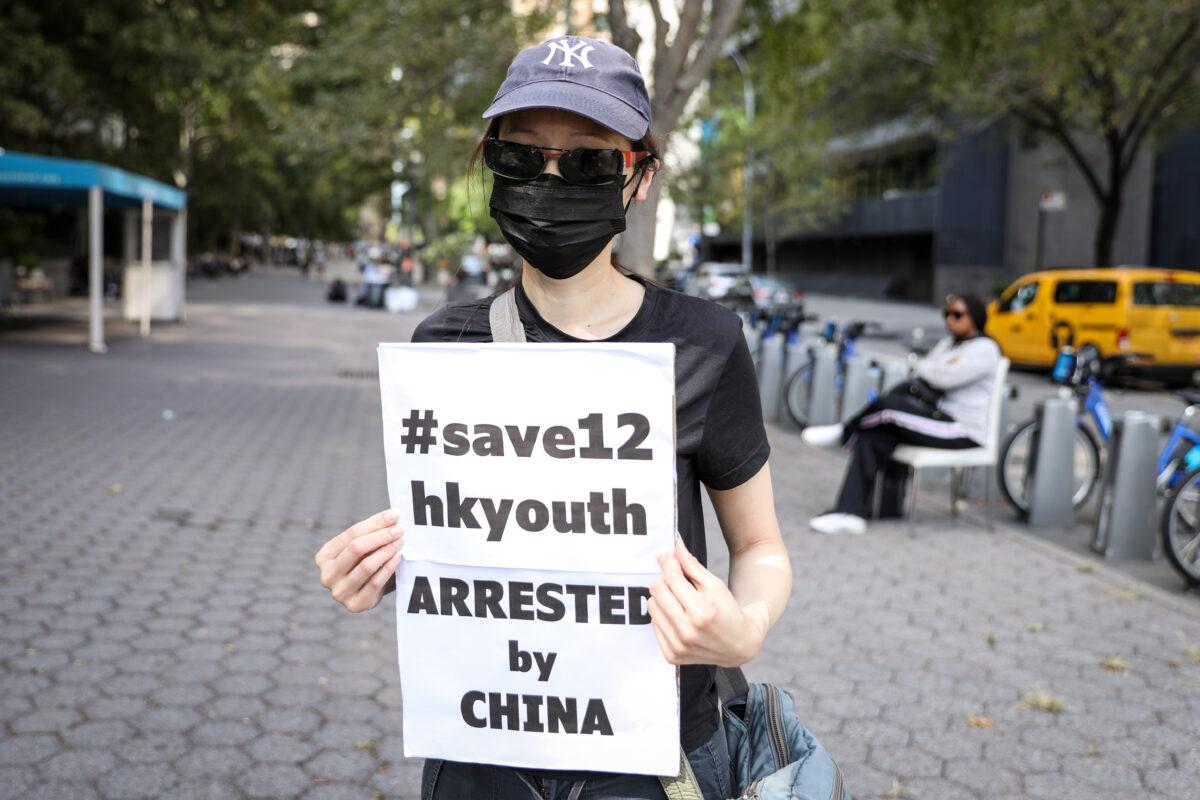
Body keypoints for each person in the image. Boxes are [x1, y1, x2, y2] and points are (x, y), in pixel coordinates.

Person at [313, 35, 793, 800]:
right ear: (490, 165)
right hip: (481, 755)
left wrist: (746, 626)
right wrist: (382, 564)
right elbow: (466, 539)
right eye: (521, 156)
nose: (550, 179)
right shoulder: (444, 344)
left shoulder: (705, 342)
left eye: (589, 160)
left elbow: (761, 545)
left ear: (638, 178)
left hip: (653, 757)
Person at [804, 294, 1001, 536]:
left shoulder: (986, 349)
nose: (950, 320)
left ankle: (844, 431)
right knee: (873, 436)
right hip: (936, 418)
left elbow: (939, 376)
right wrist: (933, 367)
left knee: (888, 408)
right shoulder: (948, 345)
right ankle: (850, 513)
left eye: (958, 315)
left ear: (975, 317)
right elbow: (928, 369)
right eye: (947, 314)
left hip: (963, 429)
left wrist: (930, 367)